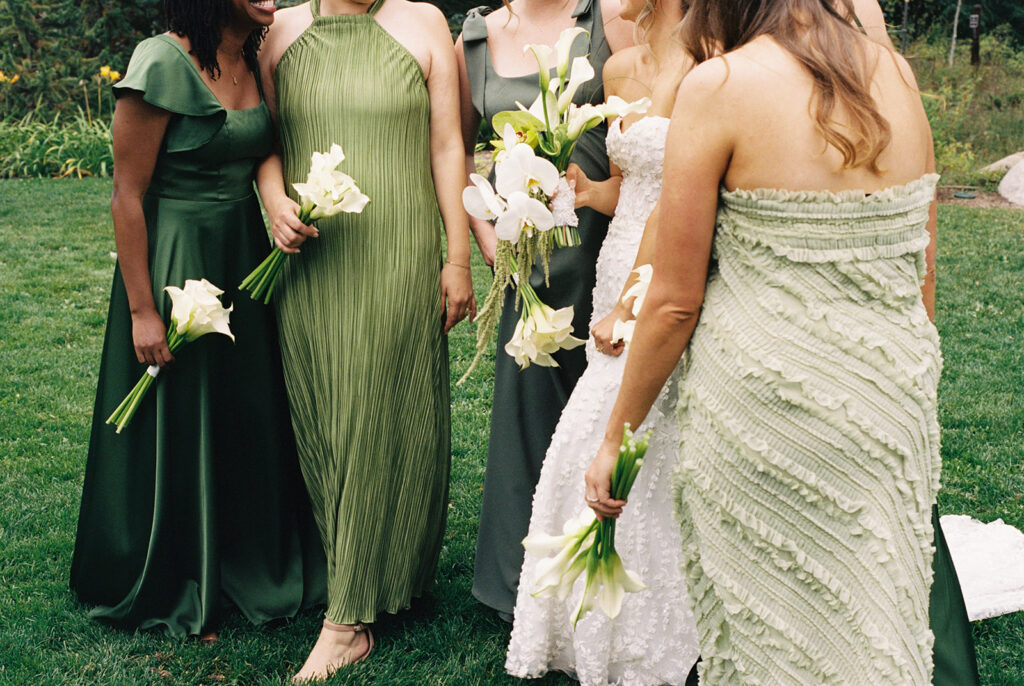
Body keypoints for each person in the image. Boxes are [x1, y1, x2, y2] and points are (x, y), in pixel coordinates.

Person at [585, 0, 974, 682]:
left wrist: (617, 433)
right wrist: (903, 392)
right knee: (870, 622)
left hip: (764, 413)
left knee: (773, 635)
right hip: (887, 402)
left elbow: (674, 302)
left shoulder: (721, 87)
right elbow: (923, 270)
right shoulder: (897, 76)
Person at [70, 0, 325, 638]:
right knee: (184, 411)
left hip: (245, 254)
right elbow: (127, 195)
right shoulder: (160, 61)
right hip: (178, 260)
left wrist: (275, 206)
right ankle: (178, 571)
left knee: (242, 408)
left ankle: (242, 559)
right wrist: (141, 311)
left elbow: (263, 145)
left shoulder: (253, 56)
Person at [256, 0, 474, 679]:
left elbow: (447, 144)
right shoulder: (281, 31)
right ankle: (373, 574)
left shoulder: (425, 23)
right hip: (313, 260)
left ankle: (346, 620)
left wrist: (458, 257)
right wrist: (273, 202)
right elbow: (264, 139)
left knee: (377, 412)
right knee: (326, 417)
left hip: (399, 248)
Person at [505, 0, 700, 683]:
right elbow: (631, 186)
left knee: (634, 428)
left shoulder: (707, 57)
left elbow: (682, 198)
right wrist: (584, 191)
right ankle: (584, 613)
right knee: (605, 426)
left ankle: (659, 627)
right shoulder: (618, 66)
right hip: (618, 256)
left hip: (666, 270)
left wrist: (629, 301)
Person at [455, 0, 633, 622]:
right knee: (529, 416)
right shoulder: (475, 36)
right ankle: (522, 581)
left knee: (601, 416)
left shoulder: (607, 18)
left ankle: (601, 572)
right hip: (525, 258)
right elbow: (456, 148)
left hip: (603, 248)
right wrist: (489, 239)